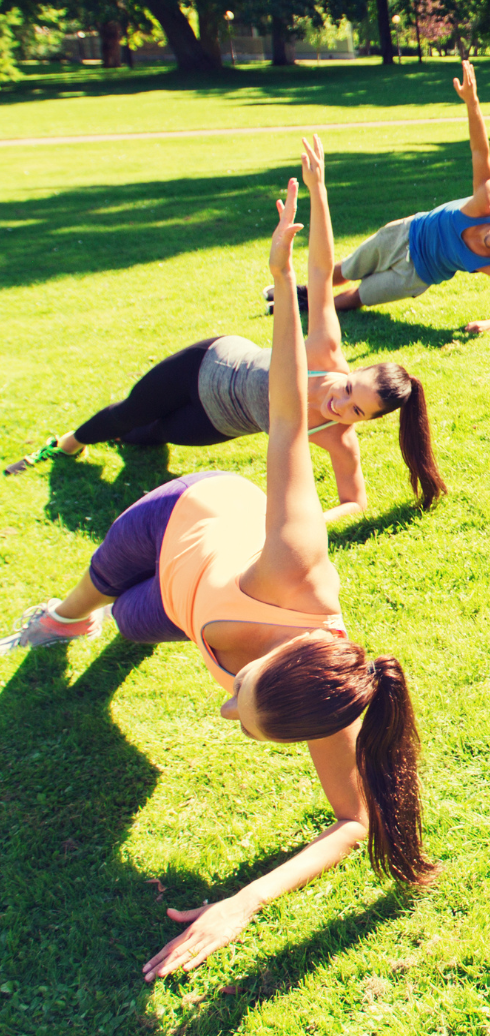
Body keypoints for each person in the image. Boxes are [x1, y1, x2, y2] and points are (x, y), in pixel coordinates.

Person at [0, 172, 437, 980]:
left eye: (240, 716)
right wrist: (280, 279)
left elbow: (353, 821)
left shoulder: (329, 704)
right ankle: (59, 620)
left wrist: (246, 902)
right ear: (286, 653)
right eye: (246, 698)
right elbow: (281, 430)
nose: (223, 703)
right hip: (179, 520)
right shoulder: (296, 573)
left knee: (133, 621)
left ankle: (95, 621)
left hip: (181, 604)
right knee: (93, 593)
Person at [8, 139, 445, 518]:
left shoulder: (337, 438)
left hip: (219, 419)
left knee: (155, 434)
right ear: (353, 372)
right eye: (350, 389)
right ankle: (67, 444)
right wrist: (320, 192)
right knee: (130, 411)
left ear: (365, 422)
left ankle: (123, 438)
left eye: (356, 411)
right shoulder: (325, 350)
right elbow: (318, 268)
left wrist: (315, 522)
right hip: (209, 365)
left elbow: (355, 501)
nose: (338, 403)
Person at [309, 59, 490, 334]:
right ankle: (304, 292)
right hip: (406, 233)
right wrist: (472, 102)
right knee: (348, 269)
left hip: (417, 275)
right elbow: (480, 152)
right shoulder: (485, 203)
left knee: (363, 295)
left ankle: (312, 309)